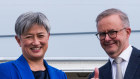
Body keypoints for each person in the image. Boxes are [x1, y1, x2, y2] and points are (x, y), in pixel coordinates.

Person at [0, 12, 67, 79]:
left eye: (40, 36)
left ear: (48, 37)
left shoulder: (60, 76)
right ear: (18, 40)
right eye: (29, 37)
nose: (36, 43)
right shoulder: (4, 71)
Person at [89, 8, 140, 79]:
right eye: (102, 34)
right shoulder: (97, 76)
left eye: (112, 32)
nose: (107, 39)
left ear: (127, 32)